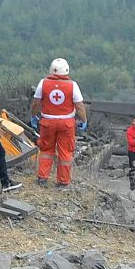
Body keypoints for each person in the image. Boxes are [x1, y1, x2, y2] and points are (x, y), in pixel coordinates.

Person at [30, 58, 87, 188]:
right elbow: (79, 106)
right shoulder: (73, 85)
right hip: (67, 123)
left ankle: (42, 179)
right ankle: (63, 182)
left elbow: (35, 103)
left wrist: (34, 116)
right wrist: (84, 120)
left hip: (47, 122)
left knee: (46, 150)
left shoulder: (42, 83)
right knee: (65, 152)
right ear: (66, 71)